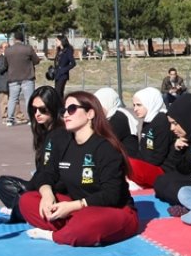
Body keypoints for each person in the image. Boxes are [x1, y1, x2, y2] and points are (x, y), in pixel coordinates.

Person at [17, 92, 139, 246]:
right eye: (64, 111)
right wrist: (47, 195)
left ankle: (57, 235)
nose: (66, 114)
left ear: (90, 113)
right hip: (77, 207)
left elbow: (112, 195)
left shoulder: (106, 147)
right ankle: (70, 229)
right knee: (27, 201)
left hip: (113, 210)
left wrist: (74, 206)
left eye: (72, 109)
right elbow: (45, 173)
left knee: (87, 223)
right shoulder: (63, 142)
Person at [0, 87, 67, 222]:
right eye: (34, 110)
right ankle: (22, 206)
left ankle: (23, 208)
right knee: (4, 183)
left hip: (54, 186)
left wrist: (41, 190)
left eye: (43, 110)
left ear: (53, 108)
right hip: (43, 181)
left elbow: (48, 172)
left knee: (22, 196)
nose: (37, 114)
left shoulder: (59, 134)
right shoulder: (44, 131)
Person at [153, 94, 191, 207]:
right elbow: (182, 169)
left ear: (186, 118)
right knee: (161, 182)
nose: (172, 128)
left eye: (175, 123)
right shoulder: (188, 136)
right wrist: (178, 151)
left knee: (175, 188)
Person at [128, 87, 175, 188]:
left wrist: (139, 167)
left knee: (128, 165)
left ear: (150, 103)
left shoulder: (162, 122)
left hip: (162, 170)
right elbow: (143, 151)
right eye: (134, 105)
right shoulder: (148, 120)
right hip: (147, 165)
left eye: (139, 105)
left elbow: (158, 156)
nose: (135, 109)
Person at [3, 33, 41, 126]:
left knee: (12, 99)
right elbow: (36, 61)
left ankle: (10, 119)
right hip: (27, 77)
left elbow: (5, 64)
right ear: (23, 39)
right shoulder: (28, 49)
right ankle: (31, 119)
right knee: (29, 99)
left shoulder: (8, 51)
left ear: (14, 39)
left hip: (13, 77)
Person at [93, 87, 140, 153]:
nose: (96, 110)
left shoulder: (119, 118)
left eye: (99, 106)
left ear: (107, 103)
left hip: (128, 159)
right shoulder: (109, 116)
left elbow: (104, 140)